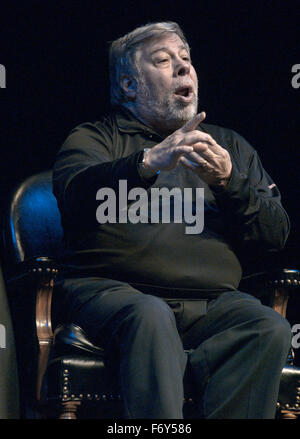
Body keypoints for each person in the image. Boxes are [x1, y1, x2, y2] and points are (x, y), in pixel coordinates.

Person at [52, 21, 291, 419]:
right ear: (129, 86)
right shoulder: (95, 138)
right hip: (116, 295)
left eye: (186, 59)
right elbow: (75, 196)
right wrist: (146, 164)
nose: (183, 68)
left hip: (214, 304)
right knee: (151, 315)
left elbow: (275, 234)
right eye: (163, 60)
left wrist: (231, 183)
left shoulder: (227, 146)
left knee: (267, 327)